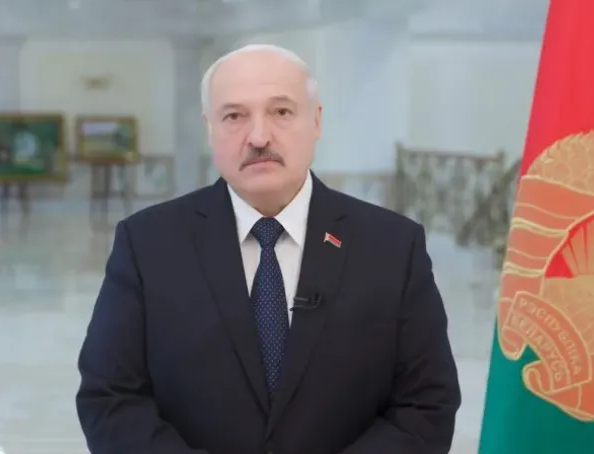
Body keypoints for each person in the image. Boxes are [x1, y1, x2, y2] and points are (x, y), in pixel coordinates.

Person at [76, 43, 461, 454]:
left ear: (316, 120)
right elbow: (111, 397)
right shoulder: (148, 244)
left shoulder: (392, 247)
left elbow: (425, 403)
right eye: (234, 116)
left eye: (281, 112)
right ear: (210, 129)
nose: (259, 136)